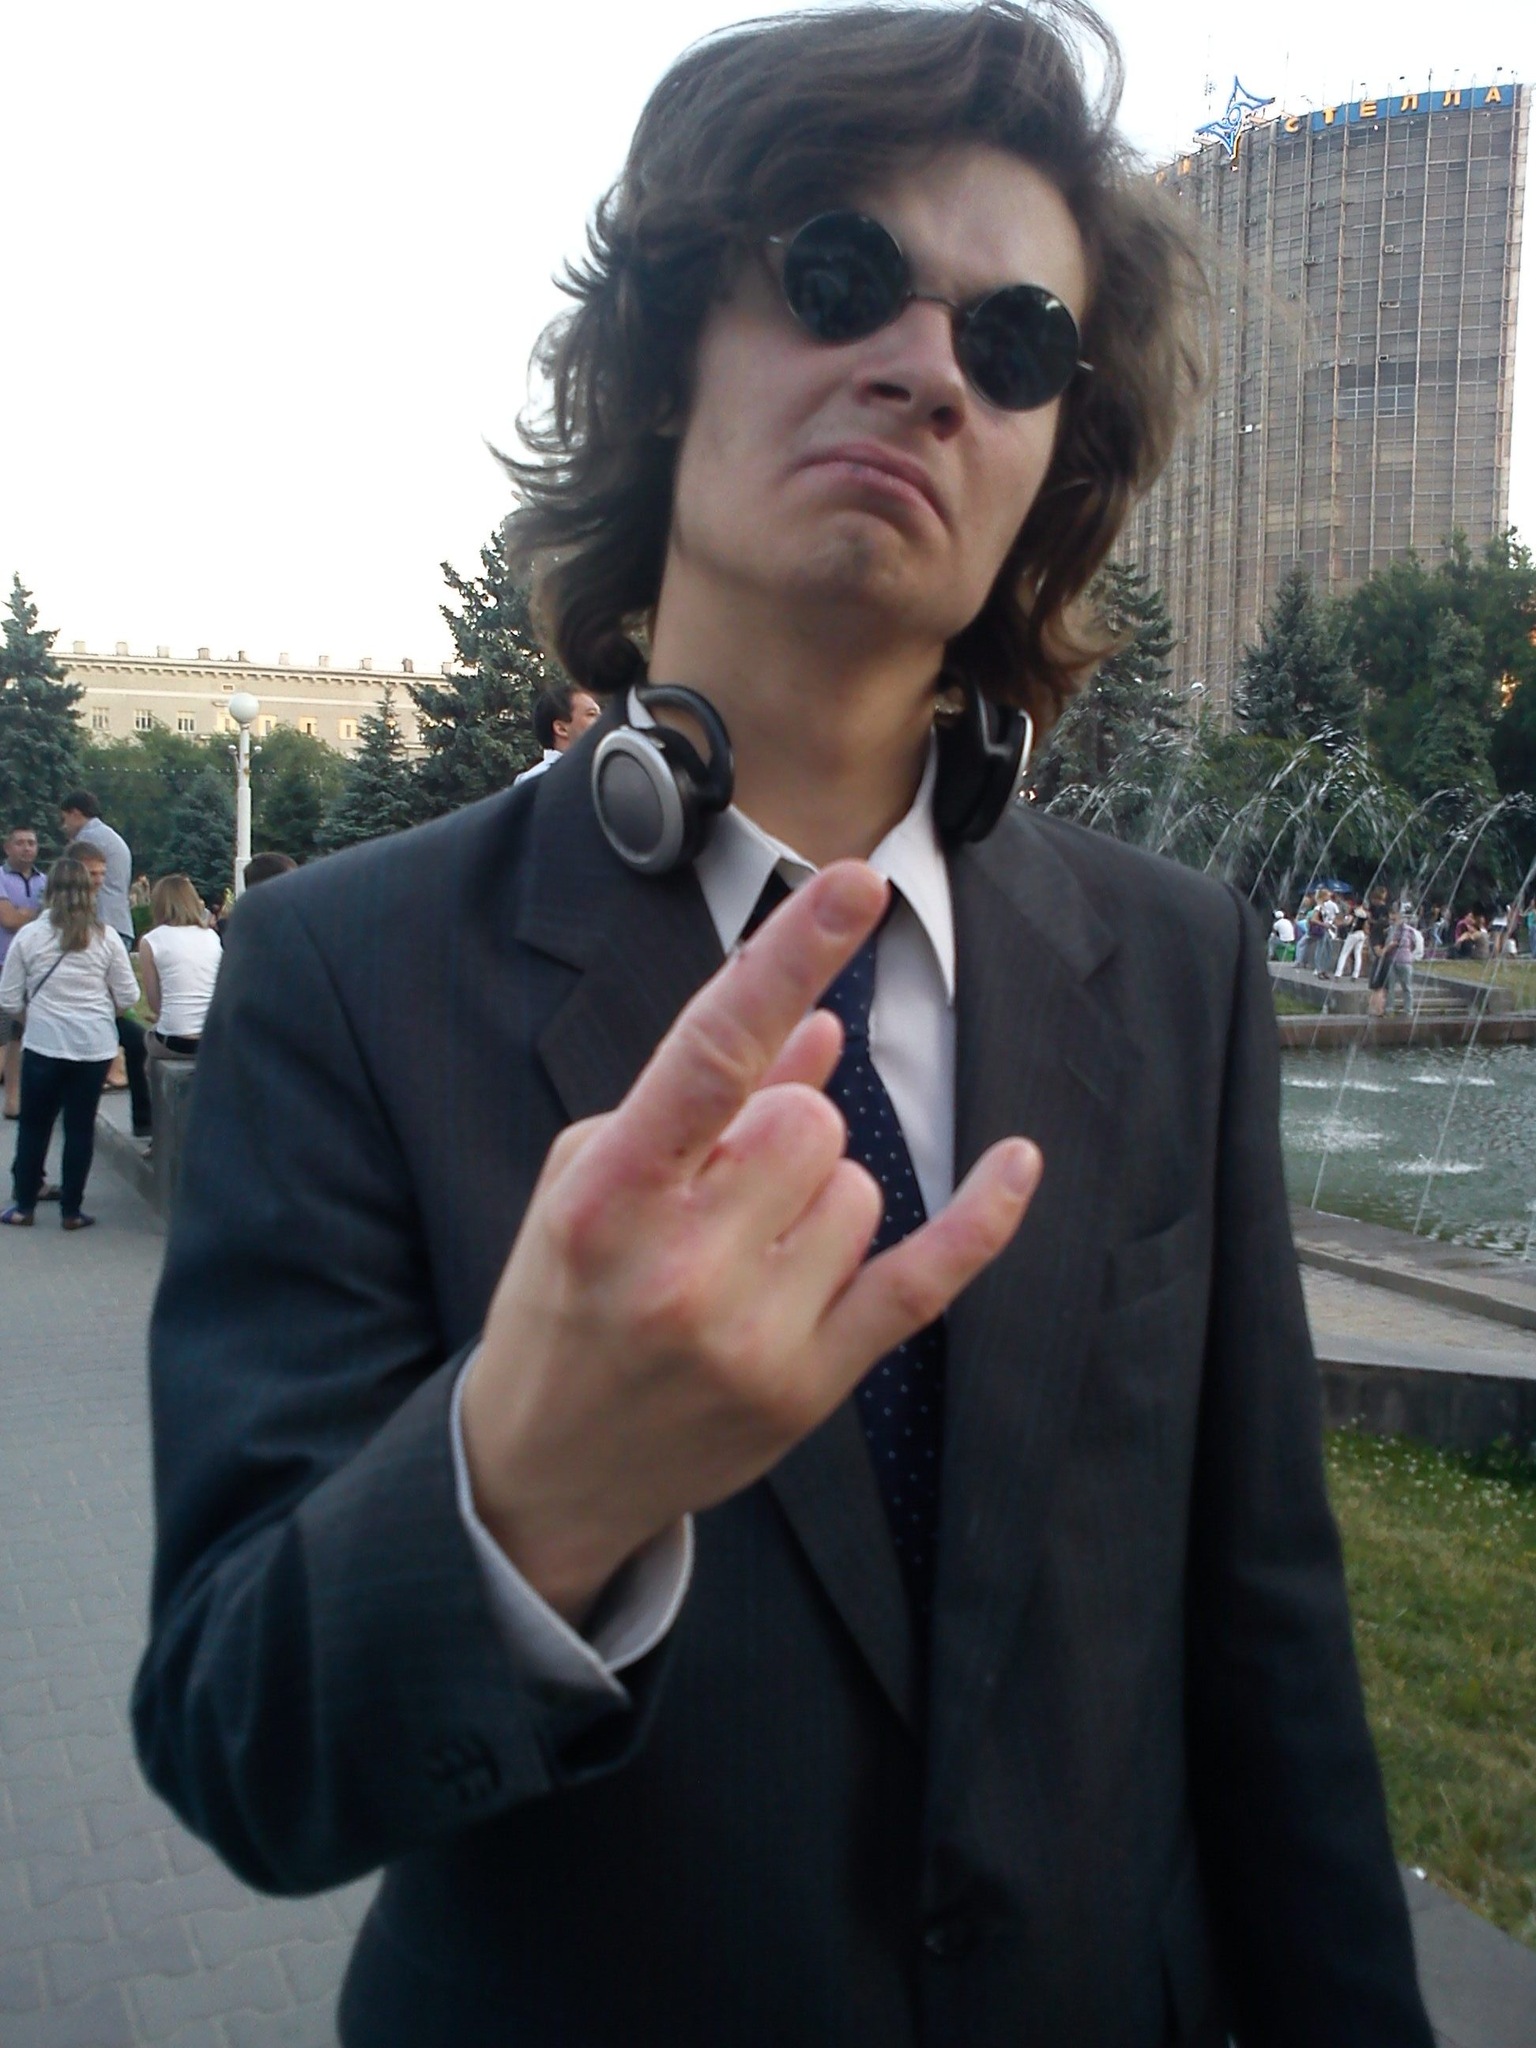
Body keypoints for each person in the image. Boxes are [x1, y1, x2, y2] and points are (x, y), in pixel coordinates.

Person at [134, 8, 1433, 2046]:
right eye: (838, 275)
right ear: (666, 357)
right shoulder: (348, 969)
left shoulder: (1178, 963)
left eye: (1015, 340)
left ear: (1052, 459)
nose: (926, 367)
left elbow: (1269, 1644)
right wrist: (524, 1491)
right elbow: (245, 1747)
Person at [0, 855, 139, 1229]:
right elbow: (129, 995)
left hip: (44, 1043)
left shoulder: (30, 936)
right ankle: (72, 1211)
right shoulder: (105, 937)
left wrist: (32, 1018)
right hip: (93, 1046)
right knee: (79, 1128)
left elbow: (9, 997)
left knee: (34, 1125)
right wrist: (103, 1013)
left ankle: (24, 1205)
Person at [58, 789, 151, 1138]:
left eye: (65, 818)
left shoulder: (88, 842)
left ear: (75, 812)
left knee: (104, 1002)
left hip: (100, 925)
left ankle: (111, 1067)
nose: (64, 826)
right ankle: (119, 1073)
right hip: (116, 922)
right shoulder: (110, 836)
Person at [138, 875, 222, 1061]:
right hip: (212, 1038)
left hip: (175, 1041)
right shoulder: (212, 937)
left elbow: (154, 1002)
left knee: (147, 1043)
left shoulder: (151, 941)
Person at [0, 825, 47, 1121]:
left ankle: (22, 1097)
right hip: (4, 965)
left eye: (31, 842)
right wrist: (33, 913)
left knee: (25, 1033)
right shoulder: (1, 878)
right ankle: (12, 1099)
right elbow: (7, 919)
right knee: (6, 1033)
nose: (27, 848)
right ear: (7, 847)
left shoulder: (46, 880)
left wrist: (22, 913)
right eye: (19, 843)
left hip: (37, 966)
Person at [512, 682, 604, 784]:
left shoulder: (602, 771)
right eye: (591, 714)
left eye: (601, 715)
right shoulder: (538, 782)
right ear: (561, 729)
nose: (602, 720)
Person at [1334, 896, 1368, 981]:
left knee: (1344, 953)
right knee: (1358, 954)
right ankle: (1355, 974)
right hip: (1361, 934)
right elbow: (1366, 925)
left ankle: (1338, 973)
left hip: (1353, 933)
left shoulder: (1354, 912)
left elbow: (1348, 922)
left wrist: (1341, 923)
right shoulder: (1364, 913)